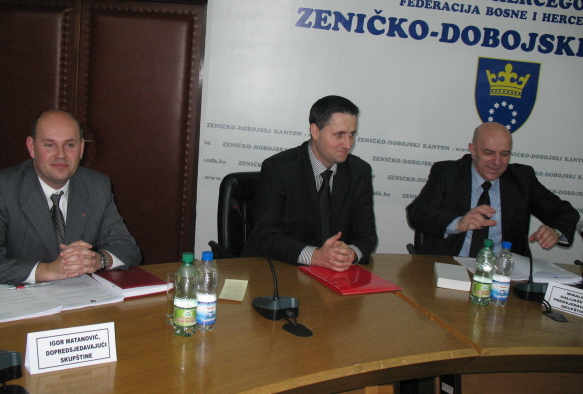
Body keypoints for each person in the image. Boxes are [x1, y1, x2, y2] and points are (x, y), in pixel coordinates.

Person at [0, 110, 141, 285]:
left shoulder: (97, 185)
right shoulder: (2, 187)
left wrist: (98, 260)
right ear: (32, 147)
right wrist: (47, 271)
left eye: (69, 145)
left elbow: (128, 249)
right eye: (50, 145)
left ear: (81, 148)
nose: (61, 155)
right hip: (23, 299)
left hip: (80, 298)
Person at [244, 95, 377, 271]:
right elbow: (264, 234)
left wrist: (350, 254)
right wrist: (314, 256)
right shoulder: (279, 168)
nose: (348, 144)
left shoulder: (359, 171)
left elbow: (367, 236)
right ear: (315, 131)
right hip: (281, 270)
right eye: (339, 135)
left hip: (335, 275)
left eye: (351, 134)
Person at [406, 122, 579, 257]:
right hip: (450, 264)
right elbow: (417, 212)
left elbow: (566, 212)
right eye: (489, 153)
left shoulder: (522, 179)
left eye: (504, 154)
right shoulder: (448, 173)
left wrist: (555, 232)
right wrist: (458, 223)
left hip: (503, 274)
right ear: (473, 150)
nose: (497, 162)